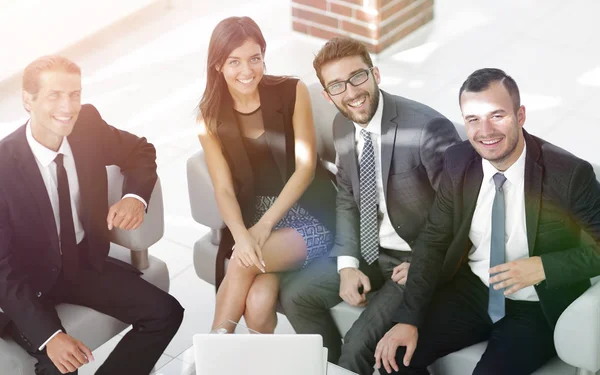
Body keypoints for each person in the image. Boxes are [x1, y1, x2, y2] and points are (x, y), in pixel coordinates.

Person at [374, 68, 600, 375]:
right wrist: (408, 319)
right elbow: (435, 238)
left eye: (497, 116)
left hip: (535, 307)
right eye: (473, 119)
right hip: (474, 289)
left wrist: (544, 267)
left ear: (520, 115)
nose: (485, 131)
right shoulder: (458, 161)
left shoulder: (570, 174)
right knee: (396, 359)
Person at [278, 36, 461, 374]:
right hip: (369, 251)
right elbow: (347, 196)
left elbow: (459, 213)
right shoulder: (342, 124)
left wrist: (424, 265)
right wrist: (347, 265)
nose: (350, 92)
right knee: (296, 296)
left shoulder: (426, 128)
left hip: (413, 259)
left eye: (357, 77)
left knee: (360, 346)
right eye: (337, 85)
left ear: (376, 74)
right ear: (327, 95)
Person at [0, 55, 184, 375]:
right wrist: (50, 336)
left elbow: (140, 151)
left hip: (82, 263)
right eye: (54, 95)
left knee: (165, 313)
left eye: (75, 94)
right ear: (28, 100)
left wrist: (134, 197)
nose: (68, 107)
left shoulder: (86, 125)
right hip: (28, 283)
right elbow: (3, 270)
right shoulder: (3, 165)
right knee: (58, 366)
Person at [196, 16, 336, 335]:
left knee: (243, 262)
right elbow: (224, 189)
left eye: (254, 58)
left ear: (263, 55)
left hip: (309, 214)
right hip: (258, 226)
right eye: (234, 62)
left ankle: (213, 350)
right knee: (258, 305)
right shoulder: (209, 117)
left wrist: (262, 227)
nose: (247, 71)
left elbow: (305, 167)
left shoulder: (291, 91)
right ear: (217, 65)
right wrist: (243, 234)